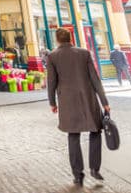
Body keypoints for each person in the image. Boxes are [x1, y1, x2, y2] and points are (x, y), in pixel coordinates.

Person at [47, 26, 110, 187]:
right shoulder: (84, 53)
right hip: (88, 99)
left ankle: (78, 175)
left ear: (57, 40)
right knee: (95, 132)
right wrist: (104, 102)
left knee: (73, 137)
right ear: (71, 38)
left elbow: (51, 82)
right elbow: (95, 79)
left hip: (67, 102)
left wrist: (52, 102)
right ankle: (95, 168)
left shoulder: (53, 56)